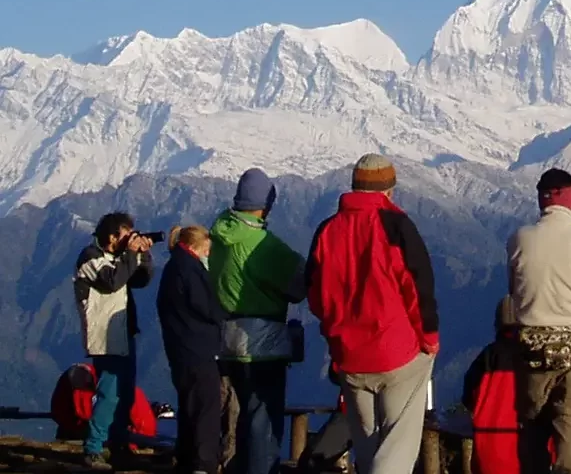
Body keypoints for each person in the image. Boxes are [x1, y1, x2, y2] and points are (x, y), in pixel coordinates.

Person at [306, 153, 439, 474]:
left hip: (349, 356)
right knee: (396, 445)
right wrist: (429, 340)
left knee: (368, 447)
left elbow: (314, 295)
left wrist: (335, 331)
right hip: (397, 352)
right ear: (389, 190)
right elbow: (418, 287)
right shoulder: (396, 225)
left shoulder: (327, 229)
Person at [507, 169, 571, 474]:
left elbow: (513, 289)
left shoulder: (519, 239)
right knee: (569, 423)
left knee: (532, 425)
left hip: (530, 346)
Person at [209, 168, 306, 474]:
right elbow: (299, 286)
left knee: (241, 416)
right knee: (263, 416)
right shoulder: (264, 245)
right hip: (262, 341)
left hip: (225, 338)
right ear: (267, 204)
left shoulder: (218, 235)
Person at [74, 212, 155, 470]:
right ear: (111, 237)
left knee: (126, 393)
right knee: (108, 393)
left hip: (124, 332)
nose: (128, 239)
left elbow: (140, 280)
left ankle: (118, 444)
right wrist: (130, 255)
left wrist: (143, 255)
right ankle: (93, 448)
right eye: (125, 235)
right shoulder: (90, 257)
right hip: (105, 337)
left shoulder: (120, 259)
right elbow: (112, 281)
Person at [158, 225, 227, 474]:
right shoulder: (189, 269)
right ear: (197, 246)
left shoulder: (174, 267)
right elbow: (204, 306)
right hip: (198, 348)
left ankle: (187, 458)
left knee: (190, 406)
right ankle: (203, 462)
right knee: (206, 407)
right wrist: (224, 312)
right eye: (207, 249)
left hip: (180, 348)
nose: (208, 255)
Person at [461, 296, 555, 474]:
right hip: (530, 455)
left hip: (489, 454)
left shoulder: (488, 357)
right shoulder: (538, 355)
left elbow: (468, 396)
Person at [50, 363, 157, 444]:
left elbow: (145, 426)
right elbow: (60, 411)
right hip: (92, 433)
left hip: (112, 434)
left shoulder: (125, 390)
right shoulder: (70, 383)